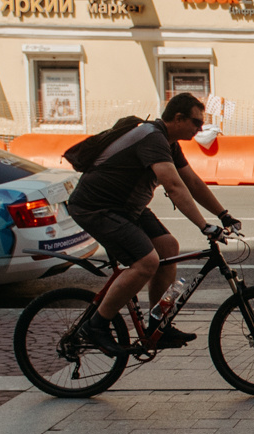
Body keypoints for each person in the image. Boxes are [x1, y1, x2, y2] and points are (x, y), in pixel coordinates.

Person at [66, 92, 239, 353]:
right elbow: (174, 185)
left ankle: (158, 324)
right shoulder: (151, 137)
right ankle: (96, 325)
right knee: (146, 262)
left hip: (127, 208)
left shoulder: (168, 142)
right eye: (196, 122)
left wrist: (223, 214)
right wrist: (204, 225)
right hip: (97, 207)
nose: (200, 128)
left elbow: (191, 182)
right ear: (178, 118)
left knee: (169, 247)